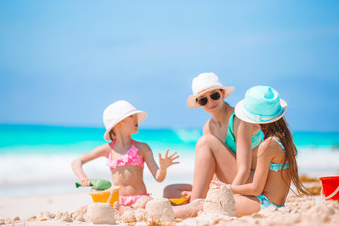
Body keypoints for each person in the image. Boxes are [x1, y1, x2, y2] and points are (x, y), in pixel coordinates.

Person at [174, 85, 309, 218]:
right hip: (269, 202)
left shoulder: (267, 146)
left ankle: (167, 214)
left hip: (265, 203)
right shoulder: (282, 140)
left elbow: (256, 188)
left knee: (204, 205)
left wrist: (228, 189)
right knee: (203, 203)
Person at [164, 72, 263, 202]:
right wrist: (207, 191)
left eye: (214, 95)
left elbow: (244, 169)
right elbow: (213, 169)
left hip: (252, 181)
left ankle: (195, 204)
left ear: (222, 93)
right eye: (203, 100)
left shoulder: (239, 119)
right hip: (230, 181)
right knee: (169, 191)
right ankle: (197, 200)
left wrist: (229, 197)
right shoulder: (209, 127)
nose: (210, 102)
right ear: (199, 103)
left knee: (205, 142)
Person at [72, 100, 179, 211]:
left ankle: (129, 209)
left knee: (147, 201)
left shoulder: (142, 148)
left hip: (140, 199)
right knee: (85, 208)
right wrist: (83, 178)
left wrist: (163, 168)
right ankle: (124, 209)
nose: (136, 119)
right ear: (117, 123)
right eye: (131, 116)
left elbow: (159, 177)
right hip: (117, 199)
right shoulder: (108, 149)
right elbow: (76, 162)